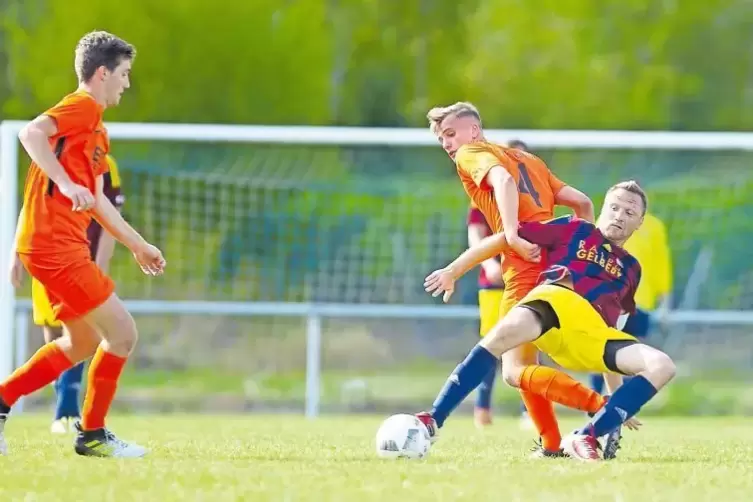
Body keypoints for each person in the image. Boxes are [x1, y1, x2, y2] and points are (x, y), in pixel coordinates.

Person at [421, 181, 676, 461]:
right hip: (554, 302)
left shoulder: (631, 269)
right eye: (614, 207)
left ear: (639, 222)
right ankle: (433, 419)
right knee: (500, 338)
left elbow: (613, 330)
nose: (619, 215)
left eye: (629, 212)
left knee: (662, 365)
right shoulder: (576, 228)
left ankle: (586, 435)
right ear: (603, 210)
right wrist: (453, 270)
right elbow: (506, 237)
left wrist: (615, 408)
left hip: (592, 333)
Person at [2, 31, 165, 458]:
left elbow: (99, 206)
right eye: (124, 75)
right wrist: (64, 181)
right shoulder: (80, 106)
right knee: (123, 334)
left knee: (82, 342)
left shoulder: (97, 131)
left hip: (59, 245)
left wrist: (139, 245)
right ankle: (91, 435)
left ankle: (3, 402)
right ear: (102, 73)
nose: (127, 84)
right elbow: (29, 134)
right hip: (55, 247)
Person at [426, 102, 600, 458]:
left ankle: (602, 407)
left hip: (524, 269)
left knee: (513, 370)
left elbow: (502, 182)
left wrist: (513, 234)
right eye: (440, 138)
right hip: (555, 267)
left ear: (473, 131)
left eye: (450, 133)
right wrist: (583, 257)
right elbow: (582, 203)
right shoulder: (529, 160)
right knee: (526, 362)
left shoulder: (471, 154)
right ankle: (551, 444)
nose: (447, 143)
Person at [26, 154, 125, 434]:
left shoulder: (104, 163)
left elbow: (111, 217)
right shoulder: (47, 161)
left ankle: (67, 411)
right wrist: (14, 257)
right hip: (46, 260)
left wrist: (99, 265)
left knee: (83, 336)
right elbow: (30, 210)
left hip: (80, 263)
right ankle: (47, 402)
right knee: (54, 337)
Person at [590, 210, 672, 393]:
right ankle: (594, 405)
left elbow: (661, 264)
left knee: (634, 357)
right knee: (600, 352)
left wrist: (665, 302)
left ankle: (621, 408)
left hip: (640, 302)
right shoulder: (602, 223)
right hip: (608, 300)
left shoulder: (653, 226)